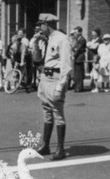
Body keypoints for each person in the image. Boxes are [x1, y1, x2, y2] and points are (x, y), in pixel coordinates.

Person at [35, 13, 72, 161]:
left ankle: (60, 149)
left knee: (57, 112)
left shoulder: (62, 39)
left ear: (47, 24)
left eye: (41, 25)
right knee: (46, 110)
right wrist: (35, 43)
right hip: (45, 77)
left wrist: (60, 86)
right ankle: (45, 145)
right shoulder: (46, 39)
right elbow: (38, 59)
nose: (39, 28)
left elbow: (66, 65)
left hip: (56, 78)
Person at [72, 26, 87, 92]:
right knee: (76, 73)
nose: (75, 33)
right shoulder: (77, 39)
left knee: (79, 73)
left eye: (76, 31)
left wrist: (73, 55)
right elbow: (73, 48)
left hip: (79, 57)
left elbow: (77, 49)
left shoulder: (82, 39)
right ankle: (77, 86)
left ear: (80, 32)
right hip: (76, 57)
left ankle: (79, 87)